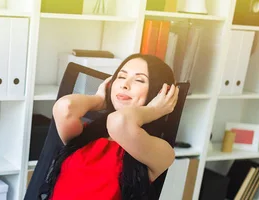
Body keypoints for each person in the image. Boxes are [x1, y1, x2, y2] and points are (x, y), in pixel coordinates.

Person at [46, 54, 179, 200]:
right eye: (121, 77)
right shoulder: (85, 135)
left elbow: (119, 122)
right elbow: (64, 107)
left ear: (159, 94)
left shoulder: (160, 151)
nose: (124, 84)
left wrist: (154, 110)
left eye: (139, 80)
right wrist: (99, 100)